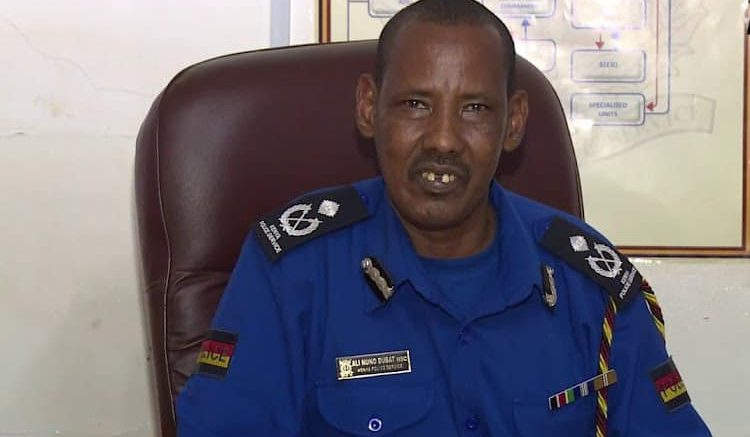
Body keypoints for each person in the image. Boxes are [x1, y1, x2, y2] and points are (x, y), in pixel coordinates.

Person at [176, 0, 711, 435]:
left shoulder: (590, 286)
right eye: (415, 104)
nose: (443, 140)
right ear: (369, 107)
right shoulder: (292, 272)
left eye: (475, 108)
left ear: (514, 123)